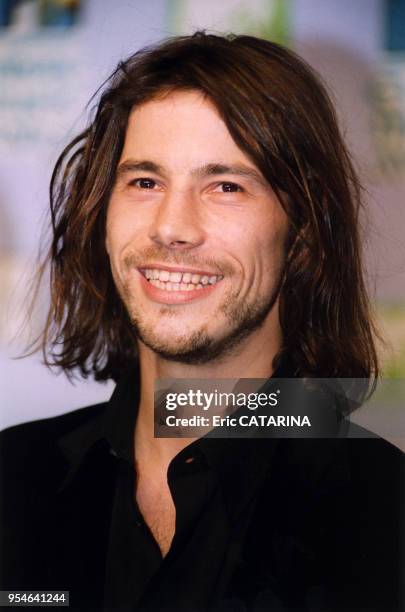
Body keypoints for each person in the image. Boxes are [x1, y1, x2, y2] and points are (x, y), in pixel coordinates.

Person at [0, 32, 403, 611]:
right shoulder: (17, 476)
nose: (172, 227)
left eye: (226, 186)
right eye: (145, 181)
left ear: (303, 233)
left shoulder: (383, 514)